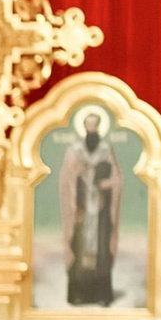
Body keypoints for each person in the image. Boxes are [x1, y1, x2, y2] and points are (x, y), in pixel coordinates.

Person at [61, 109, 121, 306]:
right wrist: (77, 182)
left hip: (101, 212)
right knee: (79, 248)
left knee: (102, 250)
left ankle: (101, 294)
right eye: (89, 125)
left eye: (95, 125)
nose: (92, 128)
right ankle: (78, 294)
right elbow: (66, 180)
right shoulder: (74, 150)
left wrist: (107, 185)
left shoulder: (106, 149)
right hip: (81, 211)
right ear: (84, 127)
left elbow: (117, 179)